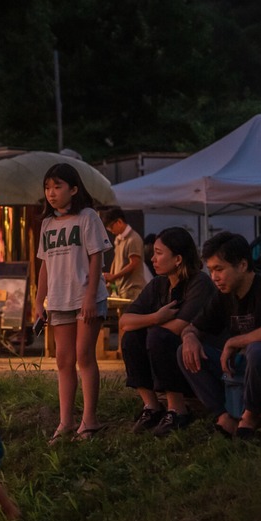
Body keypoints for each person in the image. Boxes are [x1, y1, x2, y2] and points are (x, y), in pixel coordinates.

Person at [178, 232, 261, 439]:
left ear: (242, 265)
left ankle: (249, 421)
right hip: (246, 375)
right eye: (211, 270)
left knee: (258, 349)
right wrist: (189, 337)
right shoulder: (223, 295)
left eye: (219, 269)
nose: (214, 277)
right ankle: (225, 418)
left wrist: (234, 341)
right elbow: (193, 327)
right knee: (184, 351)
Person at [32, 163, 112, 443]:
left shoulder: (88, 217)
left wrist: (90, 297)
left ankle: (89, 421)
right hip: (59, 299)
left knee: (84, 356)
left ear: (74, 189)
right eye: (47, 187)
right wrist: (38, 300)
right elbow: (43, 265)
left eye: (57, 187)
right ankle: (66, 422)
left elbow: (96, 257)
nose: (51, 193)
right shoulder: (47, 224)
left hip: (85, 297)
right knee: (63, 360)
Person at [119, 227, 216, 437]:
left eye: (159, 253)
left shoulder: (199, 283)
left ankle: (177, 410)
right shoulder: (158, 284)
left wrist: (150, 327)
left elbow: (181, 326)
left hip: (198, 361)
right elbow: (125, 322)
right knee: (131, 337)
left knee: (157, 336)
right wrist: (155, 318)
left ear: (178, 259)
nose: (152, 259)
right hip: (167, 359)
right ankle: (152, 407)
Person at [101, 208, 145, 300]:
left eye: (111, 227)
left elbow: (134, 264)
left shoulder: (133, 239)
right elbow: (116, 261)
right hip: (123, 289)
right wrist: (111, 278)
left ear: (119, 222)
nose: (111, 231)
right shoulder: (119, 239)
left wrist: (114, 276)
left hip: (133, 289)